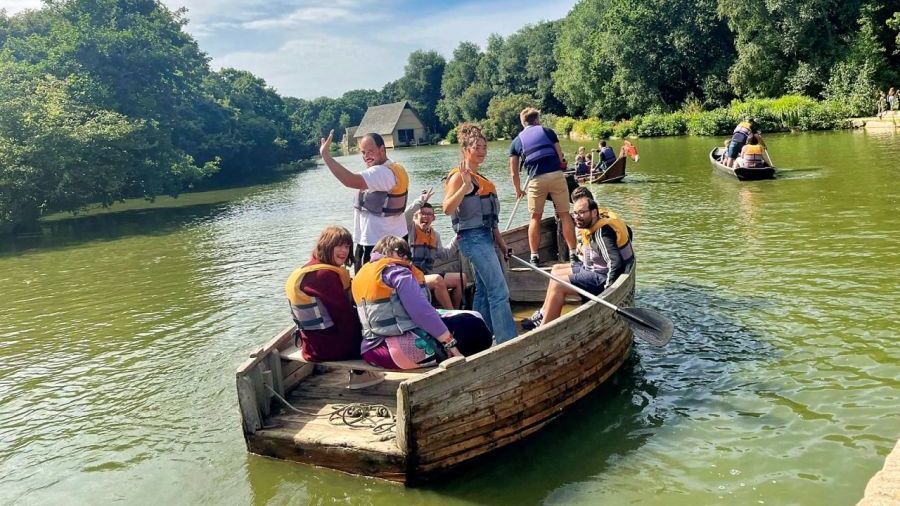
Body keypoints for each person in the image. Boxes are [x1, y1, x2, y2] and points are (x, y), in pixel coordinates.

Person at [354, 236, 492, 370]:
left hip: (370, 351)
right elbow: (421, 312)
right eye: (401, 252)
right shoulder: (399, 273)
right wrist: (451, 345)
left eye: (408, 253)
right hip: (393, 352)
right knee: (477, 328)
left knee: (471, 315)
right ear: (388, 252)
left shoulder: (362, 275)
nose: (406, 258)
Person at [444, 123, 519, 344]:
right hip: (472, 239)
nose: (482, 151)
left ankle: (479, 337)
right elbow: (447, 208)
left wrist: (502, 244)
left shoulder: (483, 180)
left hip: (486, 238)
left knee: (485, 291)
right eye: (477, 146)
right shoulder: (459, 176)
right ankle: (508, 341)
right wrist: (464, 187)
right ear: (465, 149)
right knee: (499, 290)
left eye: (485, 147)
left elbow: (491, 222)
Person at [285, 226, 383, 388]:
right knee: (380, 328)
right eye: (339, 245)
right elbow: (345, 318)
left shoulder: (308, 268)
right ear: (326, 245)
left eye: (347, 246)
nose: (344, 251)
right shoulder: (324, 276)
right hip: (327, 348)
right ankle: (360, 374)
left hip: (311, 344)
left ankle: (359, 373)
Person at [521, 196, 635, 330]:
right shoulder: (594, 224)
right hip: (592, 269)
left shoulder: (602, 234)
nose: (577, 217)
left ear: (594, 213)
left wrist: (609, 291)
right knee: (556, 270)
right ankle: (543, 314)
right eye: (575, 213)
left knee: (558, 284)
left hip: (601, 278)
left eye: (581, 212)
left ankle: (544, 329)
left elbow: (615, 262)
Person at [319, 130, 409, 270]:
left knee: (367, 287)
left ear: (382, 150)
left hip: (376, 245)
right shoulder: (395, 168)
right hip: (397, 240)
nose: (366, 156)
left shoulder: (380, 172)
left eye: (370, 151)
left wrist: (326, 157)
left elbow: (349, 180)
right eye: (363, 152)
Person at [508, 107, 577, 265]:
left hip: (536, 180)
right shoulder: (548, 132)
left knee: (535, 218)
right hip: (556, 176)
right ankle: (573, 253)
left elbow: (513, 172)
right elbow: (560, 157)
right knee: (565, 214)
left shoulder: (516, 141)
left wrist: (518, 190)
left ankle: (534, 256)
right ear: (537, 120)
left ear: (523, 123)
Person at [405, 191, 465, 310]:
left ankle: (456, 310)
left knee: (461, 278)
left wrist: (457, 238)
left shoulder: (435, 236)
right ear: (415, 217)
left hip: (426, 276)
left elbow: (444, 255)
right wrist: (421, 200)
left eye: (429, 214)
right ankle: (451, 314)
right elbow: (406, 214)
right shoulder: (409, 230)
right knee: (437, 280)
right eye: (422, 214)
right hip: (410, 277)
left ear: (433, 218)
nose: (425, 217)